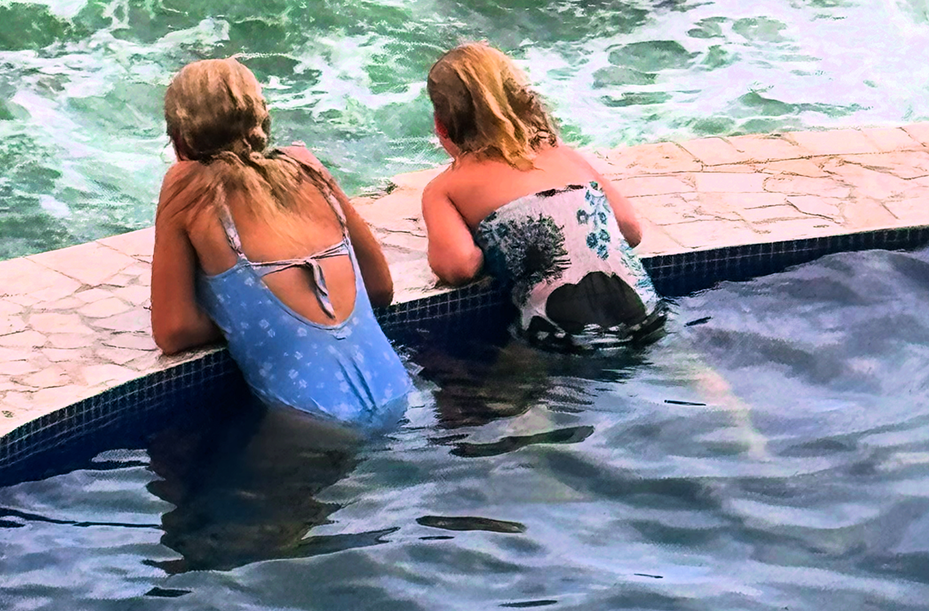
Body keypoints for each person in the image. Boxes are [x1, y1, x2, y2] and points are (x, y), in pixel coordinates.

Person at [150, 58, 411, 424]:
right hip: (399, 394)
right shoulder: (305, 167)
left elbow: (173, 331)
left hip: (314, 419)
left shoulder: (186, 187)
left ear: (178, 140)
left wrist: (244, 311)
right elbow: (380, 288)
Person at [421, 42, 666, 350]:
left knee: (484, 385)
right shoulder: (564, 156)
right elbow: (630, 230)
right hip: (645, 311)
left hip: (565, 336)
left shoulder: (445, 188)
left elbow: (459, 267)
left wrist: (501, 244)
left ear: (440, 126)